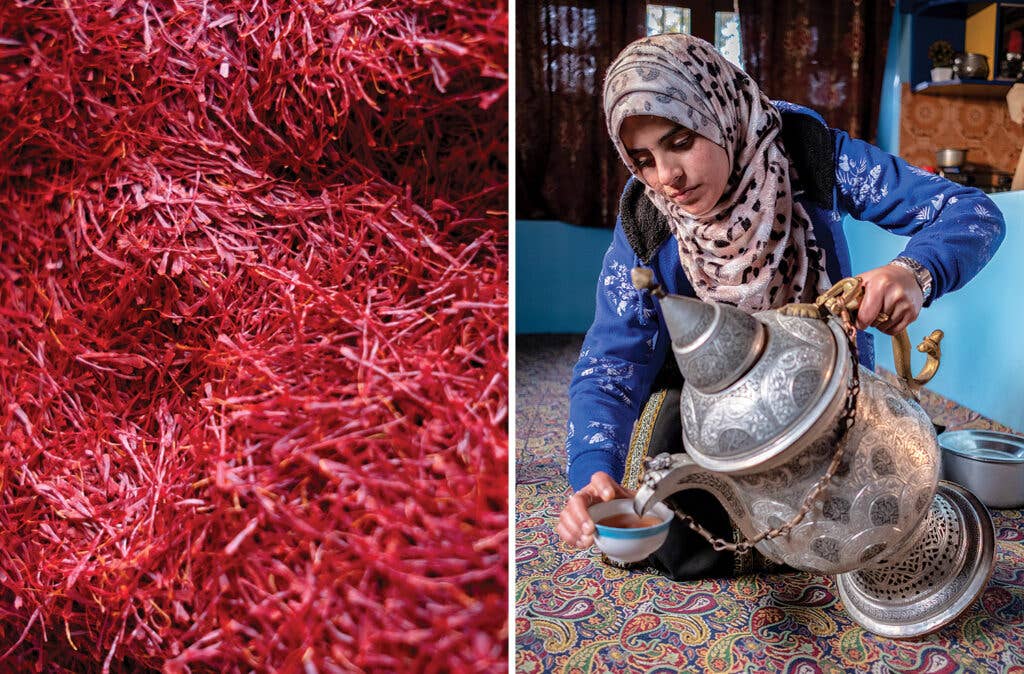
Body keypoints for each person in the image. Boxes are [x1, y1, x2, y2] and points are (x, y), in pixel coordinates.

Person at [557, 33, 1005, 579]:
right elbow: (611, 365)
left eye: (679, 141)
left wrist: (913, 273)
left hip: (821, 383)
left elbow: (969, 212)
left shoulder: (808, 155)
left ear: (719, 113)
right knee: (677, 538)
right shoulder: (648, 223)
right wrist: (592, 473)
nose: (666, 178)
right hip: (715, 404)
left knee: (884, 481)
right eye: (644, 159)